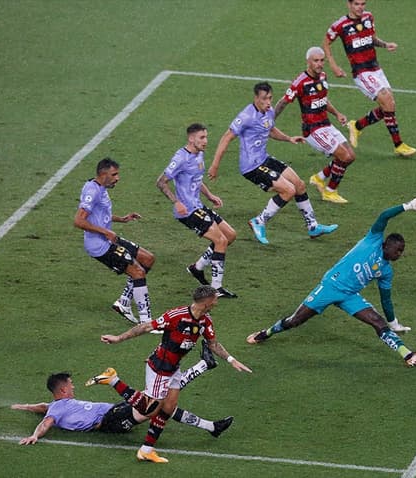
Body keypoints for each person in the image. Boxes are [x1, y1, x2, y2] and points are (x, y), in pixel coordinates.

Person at [246, 196, 416, 367]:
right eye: (398, 249)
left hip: (350, 295)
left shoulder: (386, 271)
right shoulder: (374, 239)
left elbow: (385, 298)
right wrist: (407, 206)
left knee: (378, 322)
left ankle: (408, 355)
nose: (399, 254)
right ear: (386, 244)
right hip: (330, 286)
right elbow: (384, 216)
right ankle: (266, 333)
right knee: (295, 321)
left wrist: (393, 322)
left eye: (402, 251)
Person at [94, 284, 253, 463]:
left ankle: (146, 450)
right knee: (149, 410)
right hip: (159, 369)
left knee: (168, 408)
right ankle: (113, 380)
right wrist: (118, 338)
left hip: (174, 368)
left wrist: (232, 360)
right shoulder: (176, 316)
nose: (217, 301)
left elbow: (213, 344)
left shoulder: (205, 321)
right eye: (215, 298)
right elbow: (146, 327)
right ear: (207, 302)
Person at [12, 344, 231, 446]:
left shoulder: (56, 404)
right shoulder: (57, 408)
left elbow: (41, 407)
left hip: (115, 410)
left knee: (163, 403)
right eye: (70, 385)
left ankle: (212, 426)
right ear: (62, 390)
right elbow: (46, 420)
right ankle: (203, 366)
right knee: (159, 403)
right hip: (109, 421)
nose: (73, 387)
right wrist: (35, 435)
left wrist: (19, 407)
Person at [208, 81, 339, 245]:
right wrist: (215, 165)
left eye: (270, 98)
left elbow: (270, 130)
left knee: (299, 185)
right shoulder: (246, 116)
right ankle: (259, 221)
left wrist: (288, 138)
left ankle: (312, 226)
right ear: (256, 98)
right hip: (251, 167)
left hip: (264, 159)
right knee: (288, 190)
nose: (268, 102)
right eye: (264, 98)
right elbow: (227, 137)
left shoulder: (269, 111)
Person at [323, 0, 416, 157]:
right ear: (349, 4)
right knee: (387, 100)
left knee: (389, 105)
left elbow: (371, 38)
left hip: (376, 68)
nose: (360, 7)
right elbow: (326, 43)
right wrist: (333, 65)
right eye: (357, 4)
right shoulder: (340, 25)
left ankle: (357, 126)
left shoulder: (368, 17)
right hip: (361, 71)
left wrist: (385, 44)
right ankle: (398, 145)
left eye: (363, 4)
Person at [74, 157, 159, 328]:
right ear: (103, 174)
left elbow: (98, 215)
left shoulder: (101, 187)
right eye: (114, 174)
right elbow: (79, 221)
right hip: (100, 246)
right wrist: (105, 231)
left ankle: (124, 302)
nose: (117, 178)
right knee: (138, 273)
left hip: (108, 238)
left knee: (148, 259)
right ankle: (146, 322)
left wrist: (121, 219)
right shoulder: (93, 191)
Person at [156, 123, 238, 298]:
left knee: (230, 235)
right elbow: (161, 182)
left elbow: (196, 179)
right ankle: (216, 288)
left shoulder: (199, 154)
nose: (206, 141)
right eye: (202, 137)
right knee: (221, 241)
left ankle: (197, 268)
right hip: (188, 211)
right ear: (191, 138)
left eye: (206, 137)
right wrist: (176, 202)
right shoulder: (180, 158)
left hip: (198, 205)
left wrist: (209, 195)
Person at [274, 46, 357, 205]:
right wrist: (270, 120)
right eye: (316, 61)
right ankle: (330, 191)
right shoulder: (300, 82)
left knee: (350, 156)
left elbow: (323, 100)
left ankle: (319, 178)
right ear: (308, 62)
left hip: (326, 124)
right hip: (313, 130)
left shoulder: (323, 77)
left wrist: (337, 113)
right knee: (344, 156)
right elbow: (284, 102)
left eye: (322, 60)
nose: (320, 64)